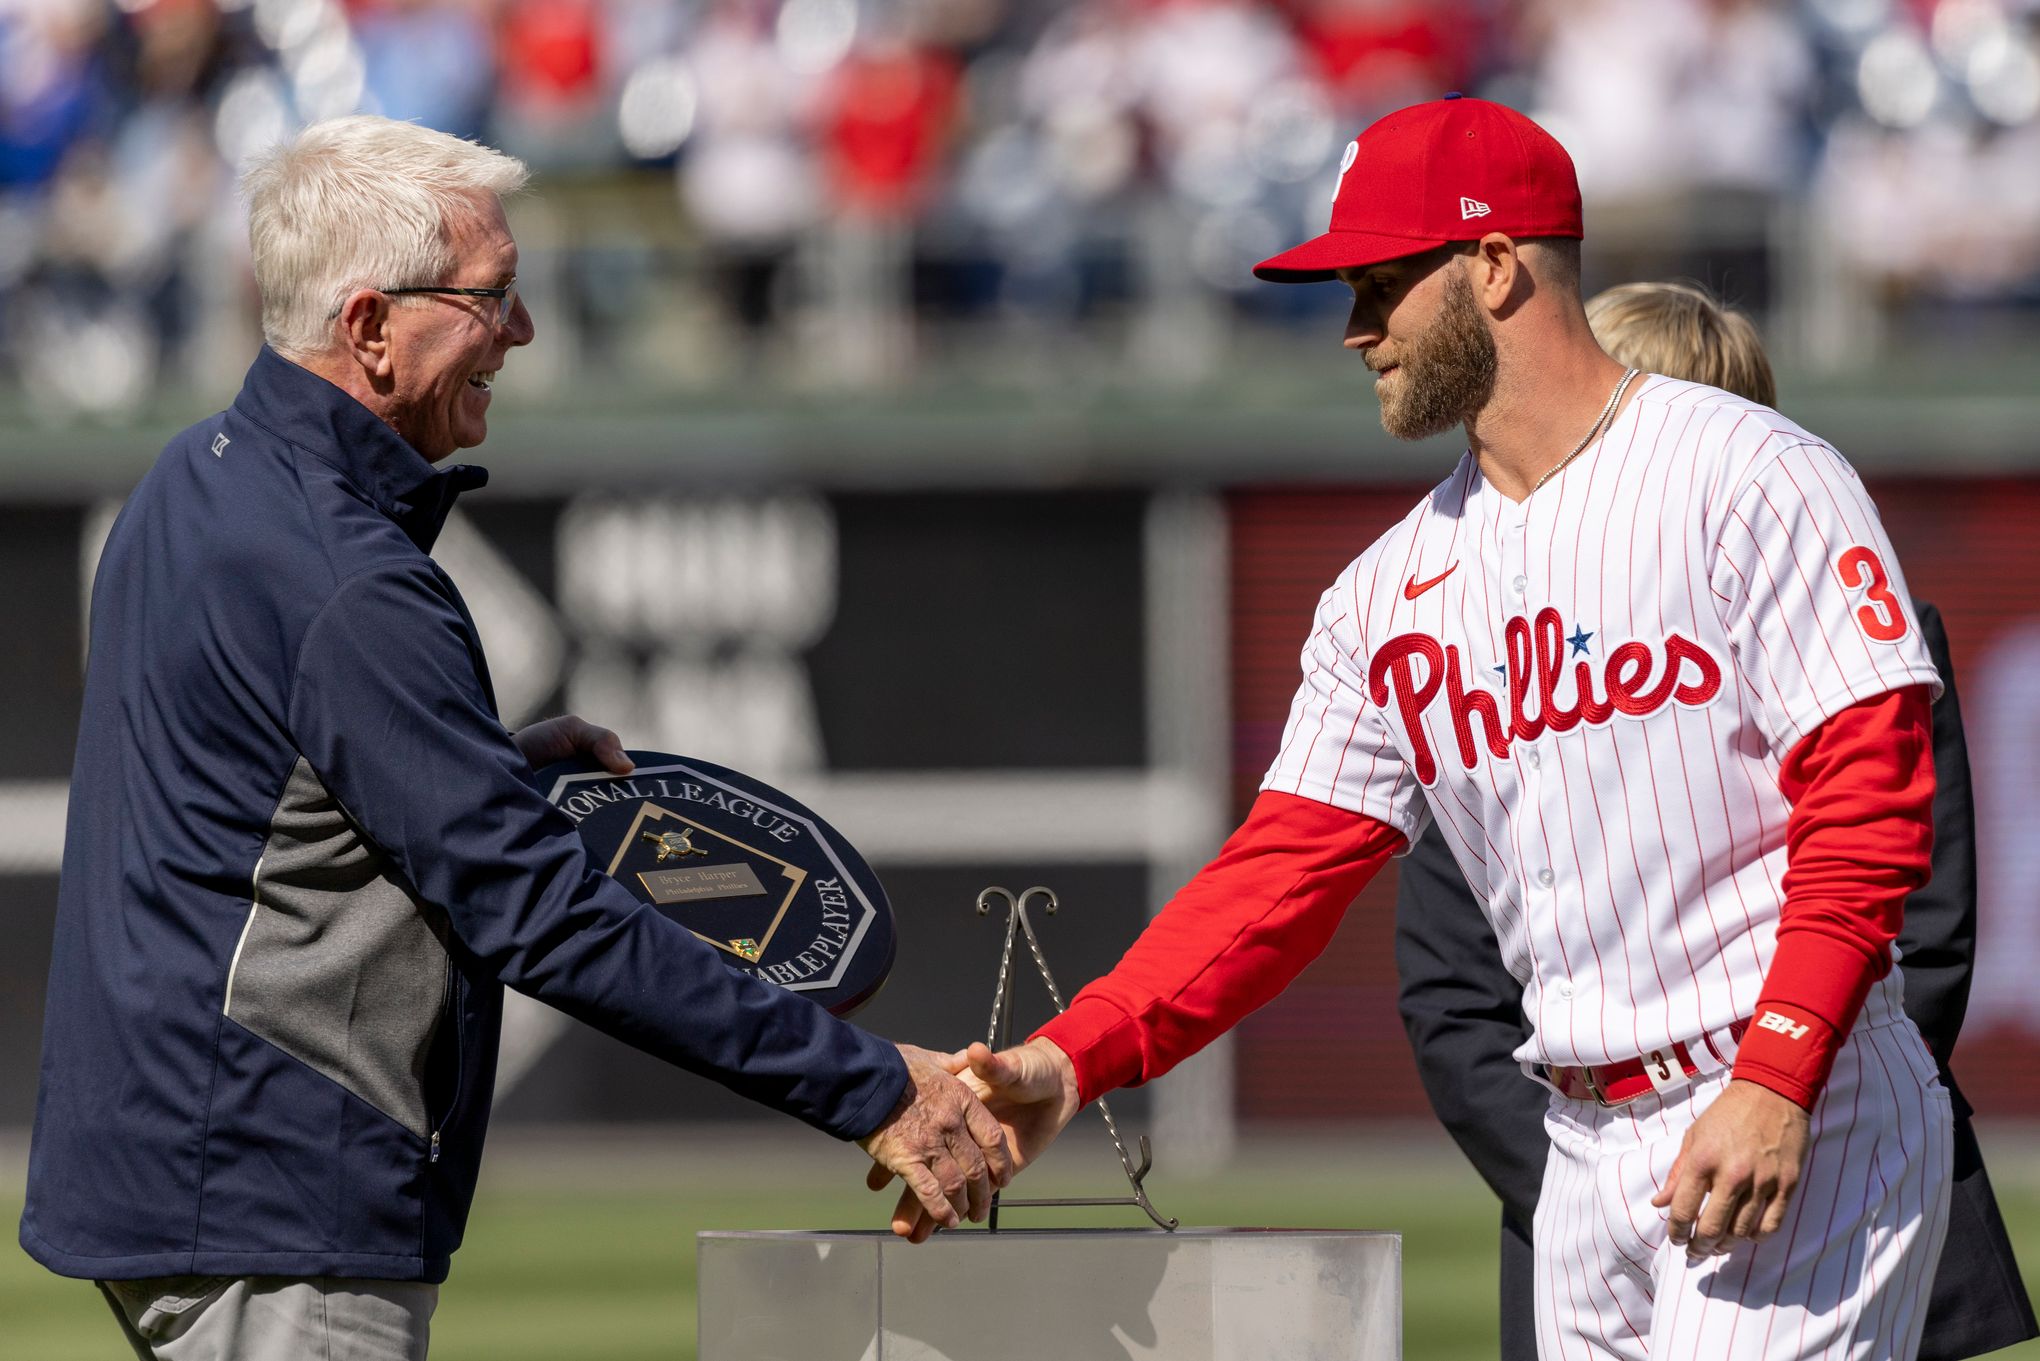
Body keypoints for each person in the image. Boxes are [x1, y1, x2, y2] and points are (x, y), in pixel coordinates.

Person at [938, 97, 1954, 1360]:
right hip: (1582, 1143)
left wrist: (1779, 1070)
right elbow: (1278, 873)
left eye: (1381, 284)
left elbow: (1868, 792)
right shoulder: (1386, 590)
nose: (1356, 327)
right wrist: (1066, 1054)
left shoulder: (1746, 471)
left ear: (1491, 266)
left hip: (1784, 1079)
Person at [20, 115, 1007, 1361]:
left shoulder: (192, 476)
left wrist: (474, 761)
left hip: (179, 1167)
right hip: (280, 1198)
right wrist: (872, 1087)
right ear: (370, 324)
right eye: (492, 298)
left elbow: (257, 781)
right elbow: (538, 911)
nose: (523, 332)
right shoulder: (347, 580)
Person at [1392, 280, 2037, 1361]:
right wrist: (1600, 1172)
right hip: (1587, 1196)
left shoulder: (1856, 623)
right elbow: (1453, 985)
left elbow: (1919, 922)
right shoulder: (1478, 661)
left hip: (1816, 1160)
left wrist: (1787, 1108)